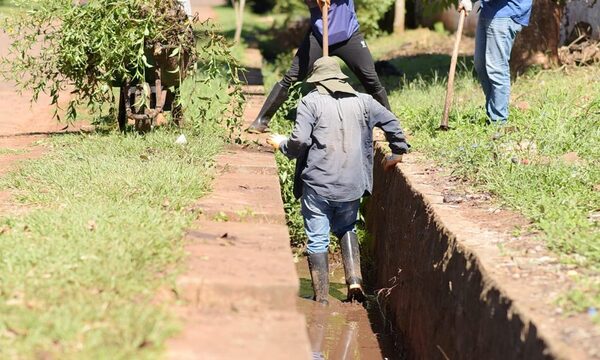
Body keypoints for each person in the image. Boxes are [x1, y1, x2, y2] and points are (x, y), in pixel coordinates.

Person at [266, 57, 410, 304]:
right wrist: (397, 152)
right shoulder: (365, 102)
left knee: (318, 237)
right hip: (352, 185)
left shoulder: (310, 103)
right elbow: (392, 123)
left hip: (318, 184)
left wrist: (282, 145)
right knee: (347, 227)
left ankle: (321, 297)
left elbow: (299, 142)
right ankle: (354, 282)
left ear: (317, 82)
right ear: (341, 79)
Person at [248, 0, 391, 133]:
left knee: (370, 78)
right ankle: (262, 120)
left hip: (348, 35)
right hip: (319, 36)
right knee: (292, 76)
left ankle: (390, 126)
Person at [458, 0, 532, 125]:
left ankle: (498, 121)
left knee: (496, 67)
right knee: (480, 64)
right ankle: (493, 112)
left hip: (506, 12)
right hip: (489, 10)